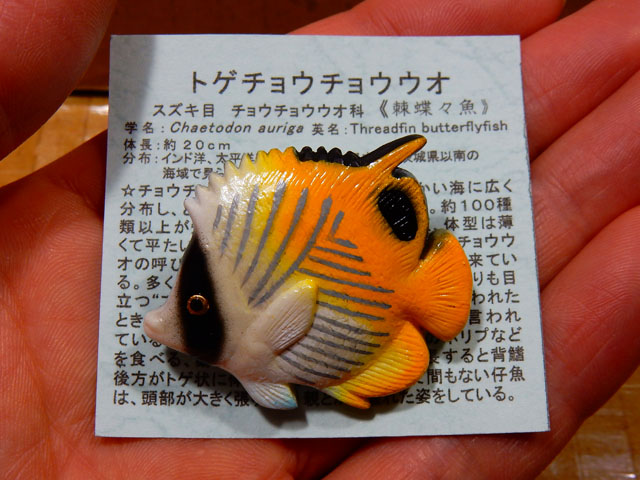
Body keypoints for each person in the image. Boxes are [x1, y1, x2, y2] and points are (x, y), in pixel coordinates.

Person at [1, 0, 638, 477]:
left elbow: (292, 318)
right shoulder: (232, 305)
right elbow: (280, 350)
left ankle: (418, 291)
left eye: (193, 304)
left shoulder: (238, 311)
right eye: (189, 305)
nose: (165, 319)